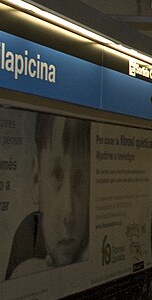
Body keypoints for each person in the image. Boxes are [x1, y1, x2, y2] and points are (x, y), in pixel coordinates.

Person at [5, 114, 91, 280]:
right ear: (37, 177)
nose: (69, 214)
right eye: (56, 174)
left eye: (79, 178)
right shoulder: (28, 234)